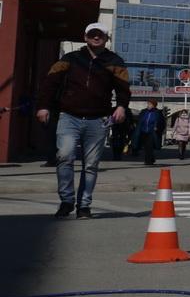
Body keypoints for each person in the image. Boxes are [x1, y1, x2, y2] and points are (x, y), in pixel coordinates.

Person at [36, 22, 132, 219]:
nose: (96, 38)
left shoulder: (115, 62)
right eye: (92, 34)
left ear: (107, 39)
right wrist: (43, 106)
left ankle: (84, 206)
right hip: (68, 116)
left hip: (98, 120)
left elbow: (123, 87)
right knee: (64, 156)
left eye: (100, 35)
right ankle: (66, 201)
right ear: (85, 36)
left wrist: (122, 106)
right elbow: (50, 82)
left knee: (90, 165)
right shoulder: (70, 59)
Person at [134, 99, 166, 165]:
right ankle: (151, 158)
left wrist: (158, 127)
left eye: (150, 104)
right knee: (145, 147)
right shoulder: (144, 111)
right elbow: (139, 120)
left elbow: (162, 122)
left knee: (149, 146)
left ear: (154, 105)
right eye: (148, 104)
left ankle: (148, 161)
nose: (148, 105)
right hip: (143, 131)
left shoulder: (157, 113)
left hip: (152, 132)